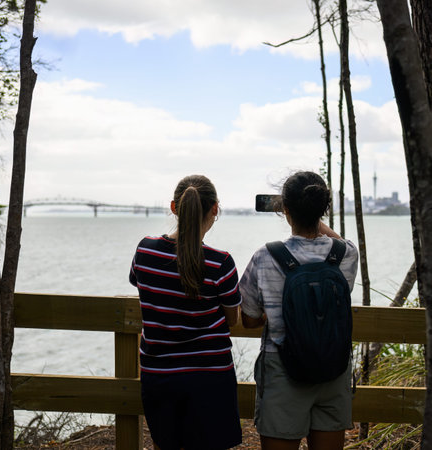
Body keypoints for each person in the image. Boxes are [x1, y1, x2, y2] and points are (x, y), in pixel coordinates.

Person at [239, 171, 359, 450]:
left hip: (284, 369)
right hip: (333, 367)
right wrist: (315, 218)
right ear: (323, 209)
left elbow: (249, 320)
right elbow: (341, 242)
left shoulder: (265, 256)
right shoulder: (346, 255)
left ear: (286, 210)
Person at [129, 174, 242, 450]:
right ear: (215, 209)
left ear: (173, 207)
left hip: (159, 376)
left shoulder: (145, 251)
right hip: (210, 378)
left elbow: (141, 286)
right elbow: (233, 319)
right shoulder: (220, 263)